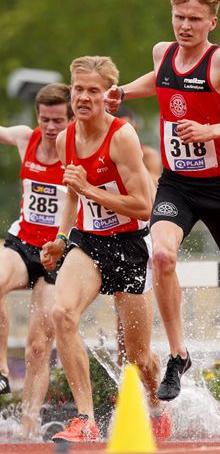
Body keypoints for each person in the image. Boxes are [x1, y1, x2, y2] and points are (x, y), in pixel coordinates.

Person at [104, 0, 220, 413]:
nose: (185, 26)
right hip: (177, 184)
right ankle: (179, 354)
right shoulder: (161, 52)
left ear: (212, 22)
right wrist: (126, 90)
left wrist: (213, 129)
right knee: (162, 256)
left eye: (194, 20)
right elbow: (161, 81)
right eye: (179, 17)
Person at [40, 56, 171, 443]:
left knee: (138, 359)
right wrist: (61, 239)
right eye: (77, 89)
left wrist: (90, 190)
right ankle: (85, 418)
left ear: (107, 95)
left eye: (92, 91)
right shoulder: (66, 138)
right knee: (62, 313)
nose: (82, 97)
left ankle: (156, 406)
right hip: (89, 240)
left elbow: (143, 205)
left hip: (131, 244)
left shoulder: (121, 137)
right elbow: (71, 195)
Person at [0, 83, 73, 438]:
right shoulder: (24, 138)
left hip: (57, 253)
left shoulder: (77, 150)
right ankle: (0, 369)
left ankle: (29, 428)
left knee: (38, 344)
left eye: (58, 120)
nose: (50, 127)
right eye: (45, 119)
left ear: (70, 120)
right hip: (23, 242)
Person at [114, 105, 162, 366]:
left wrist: (133, 160)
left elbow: (151, 196)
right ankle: (125, 368)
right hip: (118, 234)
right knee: (120, 314)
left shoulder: (149, 156)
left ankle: (143, 363)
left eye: (128, 128)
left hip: (144, 235)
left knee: (136, 311)